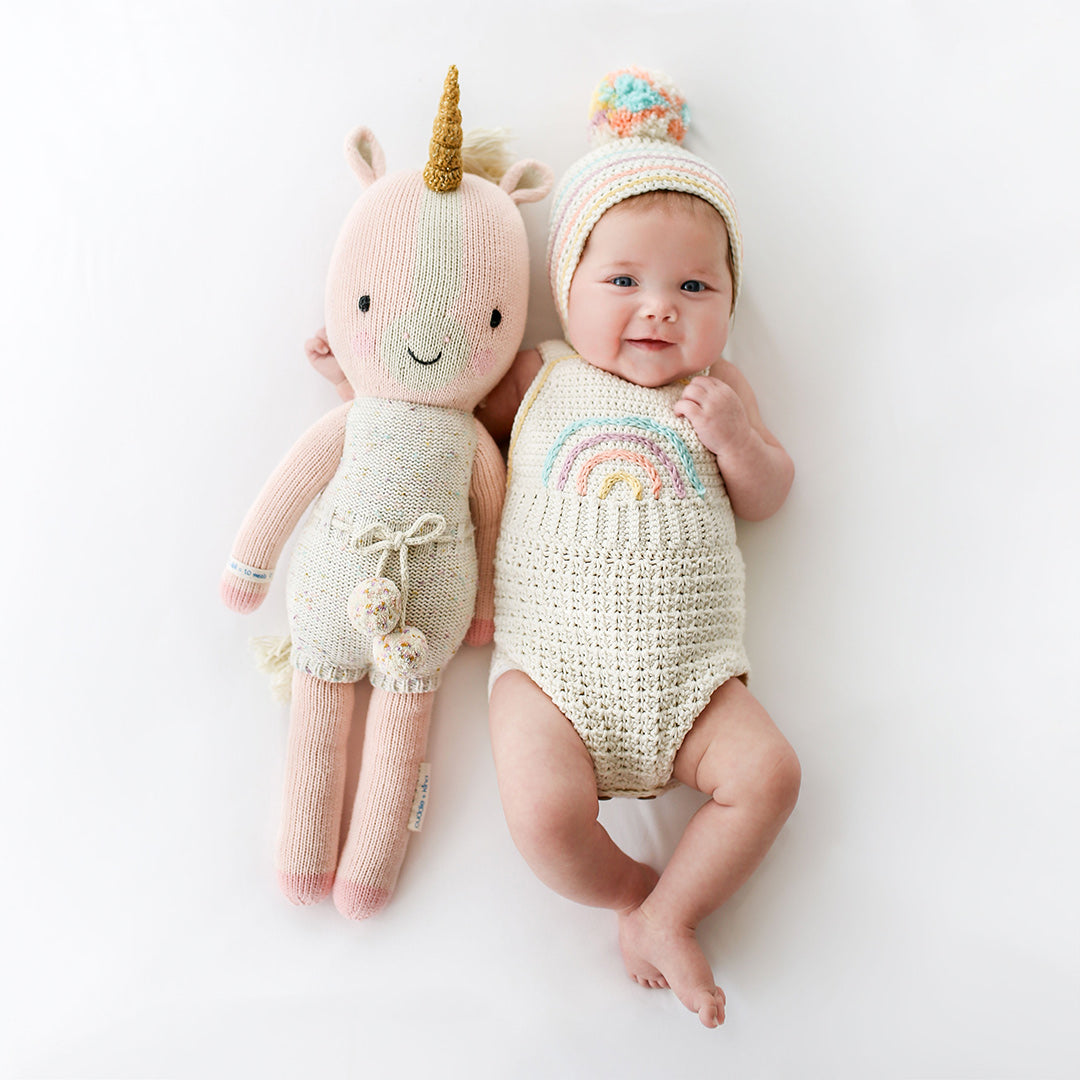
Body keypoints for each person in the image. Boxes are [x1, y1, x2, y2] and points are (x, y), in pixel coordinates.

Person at [481, 68, 800, 1028]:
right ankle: (631, 895)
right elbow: (448, 409)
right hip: (552, 673)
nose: (659, 308)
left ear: (728, 302)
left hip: (695, 683)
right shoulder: (542, 374)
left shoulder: (724, 388)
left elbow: (772, 493)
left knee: (772, 777)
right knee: (541, 815)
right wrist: (359, 376)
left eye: (694, 286)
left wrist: (737, 440)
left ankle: (674, 910)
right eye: (622, 280)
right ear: (565, 287)